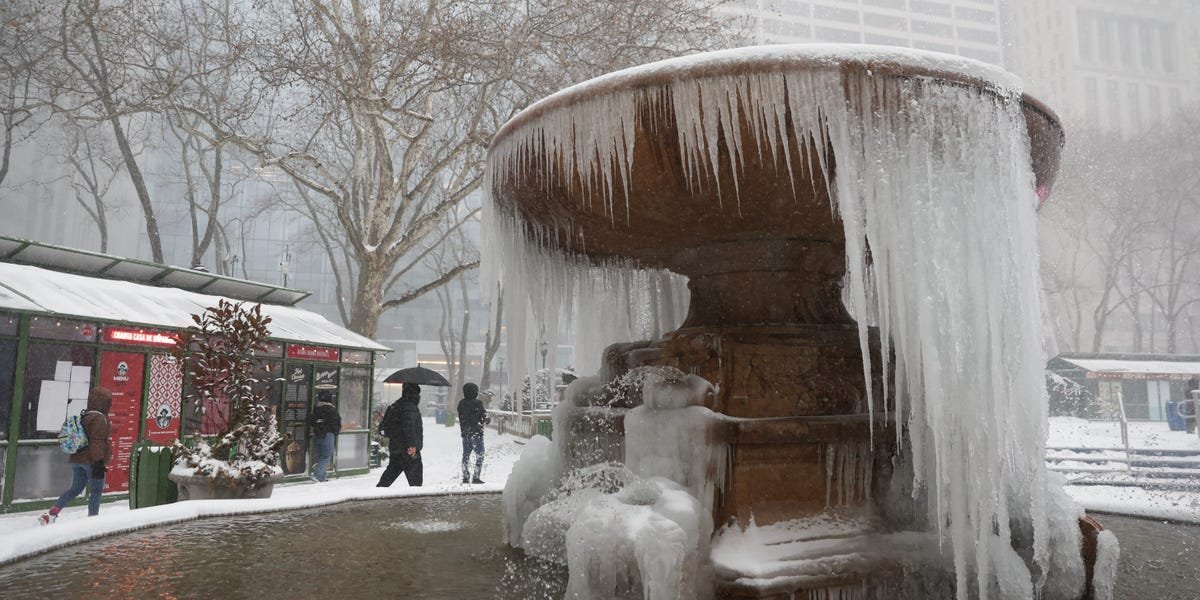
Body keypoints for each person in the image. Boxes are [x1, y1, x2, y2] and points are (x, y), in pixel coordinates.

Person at [39, 387, 113, 525]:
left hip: (77, 459)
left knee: (75, 489)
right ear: (105, 403)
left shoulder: (85, 415)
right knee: (96, 491)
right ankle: (93, 520)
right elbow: (97, 442)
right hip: (91, 461)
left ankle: (52, 513)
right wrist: (98, 462)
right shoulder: (100, 418)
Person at [376, 383, 423, 487]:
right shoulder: (410, 407)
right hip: (409, 451)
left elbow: (387, 427)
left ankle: (378, 493)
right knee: (416, 482)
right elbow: (409, 427)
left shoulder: (395, 406)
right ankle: (417, 501)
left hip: (396, 448)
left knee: (389, 475)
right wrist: (412, 445)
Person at [457, 382, 489, 484]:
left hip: (466, 434)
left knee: (466, 455)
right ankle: (476, 476)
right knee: (480, 455)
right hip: (477, 434)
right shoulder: (478, 403)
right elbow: (484, 417)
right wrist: (487, 419)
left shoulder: (461, 404)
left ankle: (465, 476)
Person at [308, 390, 342, 482]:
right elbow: (336, 423)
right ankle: (318, 475)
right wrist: (335, 431)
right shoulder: (331, 410)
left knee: (321, 456)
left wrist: (318, 425)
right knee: (326, 457)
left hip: (317, 434)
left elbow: (311, 420)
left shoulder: (316, 408)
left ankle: (322, 477)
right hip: (327, 434)